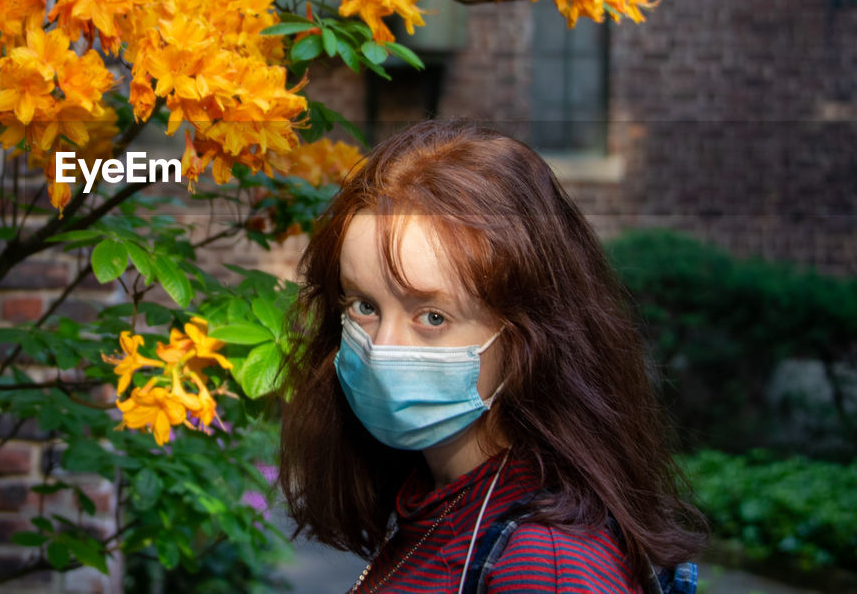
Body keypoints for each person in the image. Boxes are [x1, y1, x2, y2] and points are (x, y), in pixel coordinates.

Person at [278, 119, 705, 593]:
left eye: (433, 317)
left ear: (526, 335)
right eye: (364, 306)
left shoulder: (546, 568)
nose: (383, 349)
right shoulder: (440, 499)